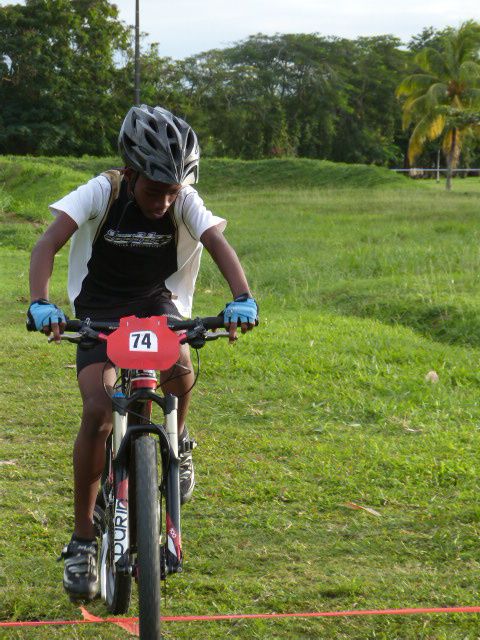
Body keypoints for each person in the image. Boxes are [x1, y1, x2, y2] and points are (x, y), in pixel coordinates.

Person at [27, 104, 258, 602]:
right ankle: (83, 542)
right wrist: (41, 302)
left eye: (173, 190)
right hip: (100, 305)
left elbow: (216, 240)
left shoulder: (182, 197)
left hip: (159, 302)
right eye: (155, 190)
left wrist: (241, 297)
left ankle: (180, 438)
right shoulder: (102, 190)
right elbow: (47, 243)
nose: (164, 200)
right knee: (97, 408)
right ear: (131, 173)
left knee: (181, 367)